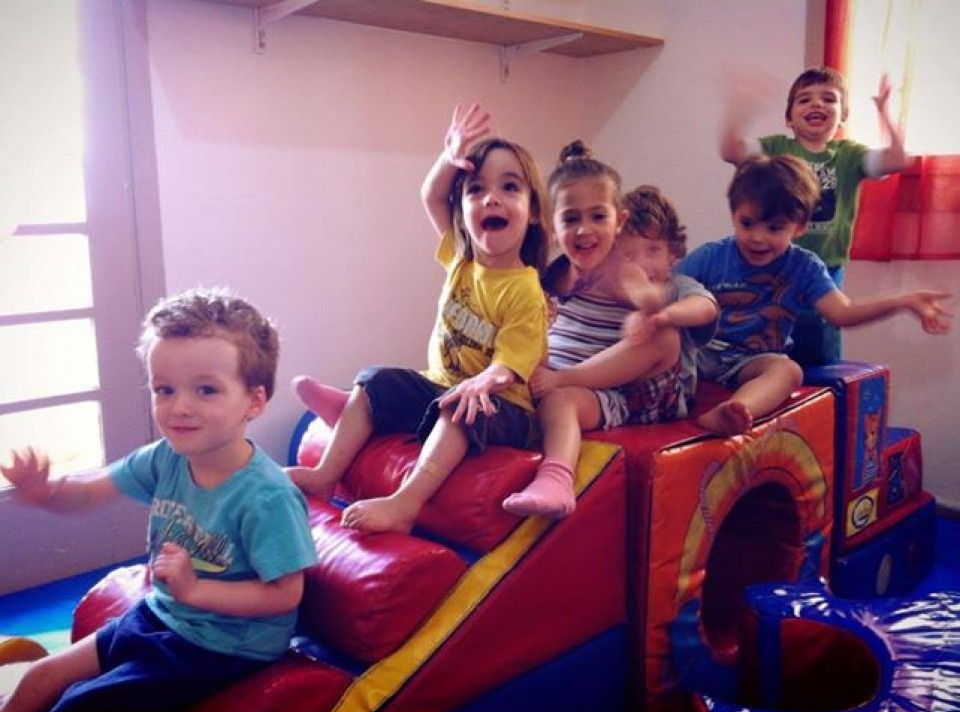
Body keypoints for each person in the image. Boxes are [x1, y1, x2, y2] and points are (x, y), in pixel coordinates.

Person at [0, 288, 317, 712]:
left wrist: (196, 589)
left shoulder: (268, 497)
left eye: (206, 390)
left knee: (76, 708)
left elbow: (285, 595)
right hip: (164, 612)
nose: (179, 407)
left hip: (224, 644)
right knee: (40, 677)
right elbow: (91, 492)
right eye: (164, 389)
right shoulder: (166, 457)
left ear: (254, 401)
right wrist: (49, 493)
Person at [287, 103, 550, 534]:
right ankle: (325, 473)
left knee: (459, 405)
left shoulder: (525, 290)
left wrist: (482, 382)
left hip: (504, 408)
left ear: (533, 211)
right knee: (377, 379)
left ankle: (405, 504)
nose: (491, 198)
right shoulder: (461, 259)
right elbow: (431, 195)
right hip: (443, 385)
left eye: (509, 187)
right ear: (462, 209)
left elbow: (510, 366)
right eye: (475, 189)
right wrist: (451, 156)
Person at [501, 142, 718, 519]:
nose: (584, 230)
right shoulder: (553, 273)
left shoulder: (622, 271)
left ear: (618, 221)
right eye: (570, 219)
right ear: (552, 225)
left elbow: (645, 293)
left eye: (598, 217)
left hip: (610, 391)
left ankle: (555, 480)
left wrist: (648, 309)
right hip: (552, 380)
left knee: (657, 339)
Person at [677, 155, 952, 438]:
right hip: (698, 354)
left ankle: (734, 411)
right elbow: (669, 291)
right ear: (734, 215)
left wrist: (902, 300)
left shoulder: (804, 267)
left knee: (788, 371)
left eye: (774, 228)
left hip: (751, 362)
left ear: (800, 226)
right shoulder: (710, 257)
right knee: (666, 339)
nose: (757, 238)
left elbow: (843, 313)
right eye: (747, 223)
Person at [719, 66, 910, 366]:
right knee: (773, 334)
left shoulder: (849, 155)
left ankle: (820, 386)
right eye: (805, 99)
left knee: (821, 341)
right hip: (776, 263)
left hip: (827, 265)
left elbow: (897, 160)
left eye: (829, 99)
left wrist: (884, 111)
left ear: (842, 117)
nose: (817, 104)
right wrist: (742, 108)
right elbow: (732, 151)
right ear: (789, 119)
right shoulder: (776, 148)